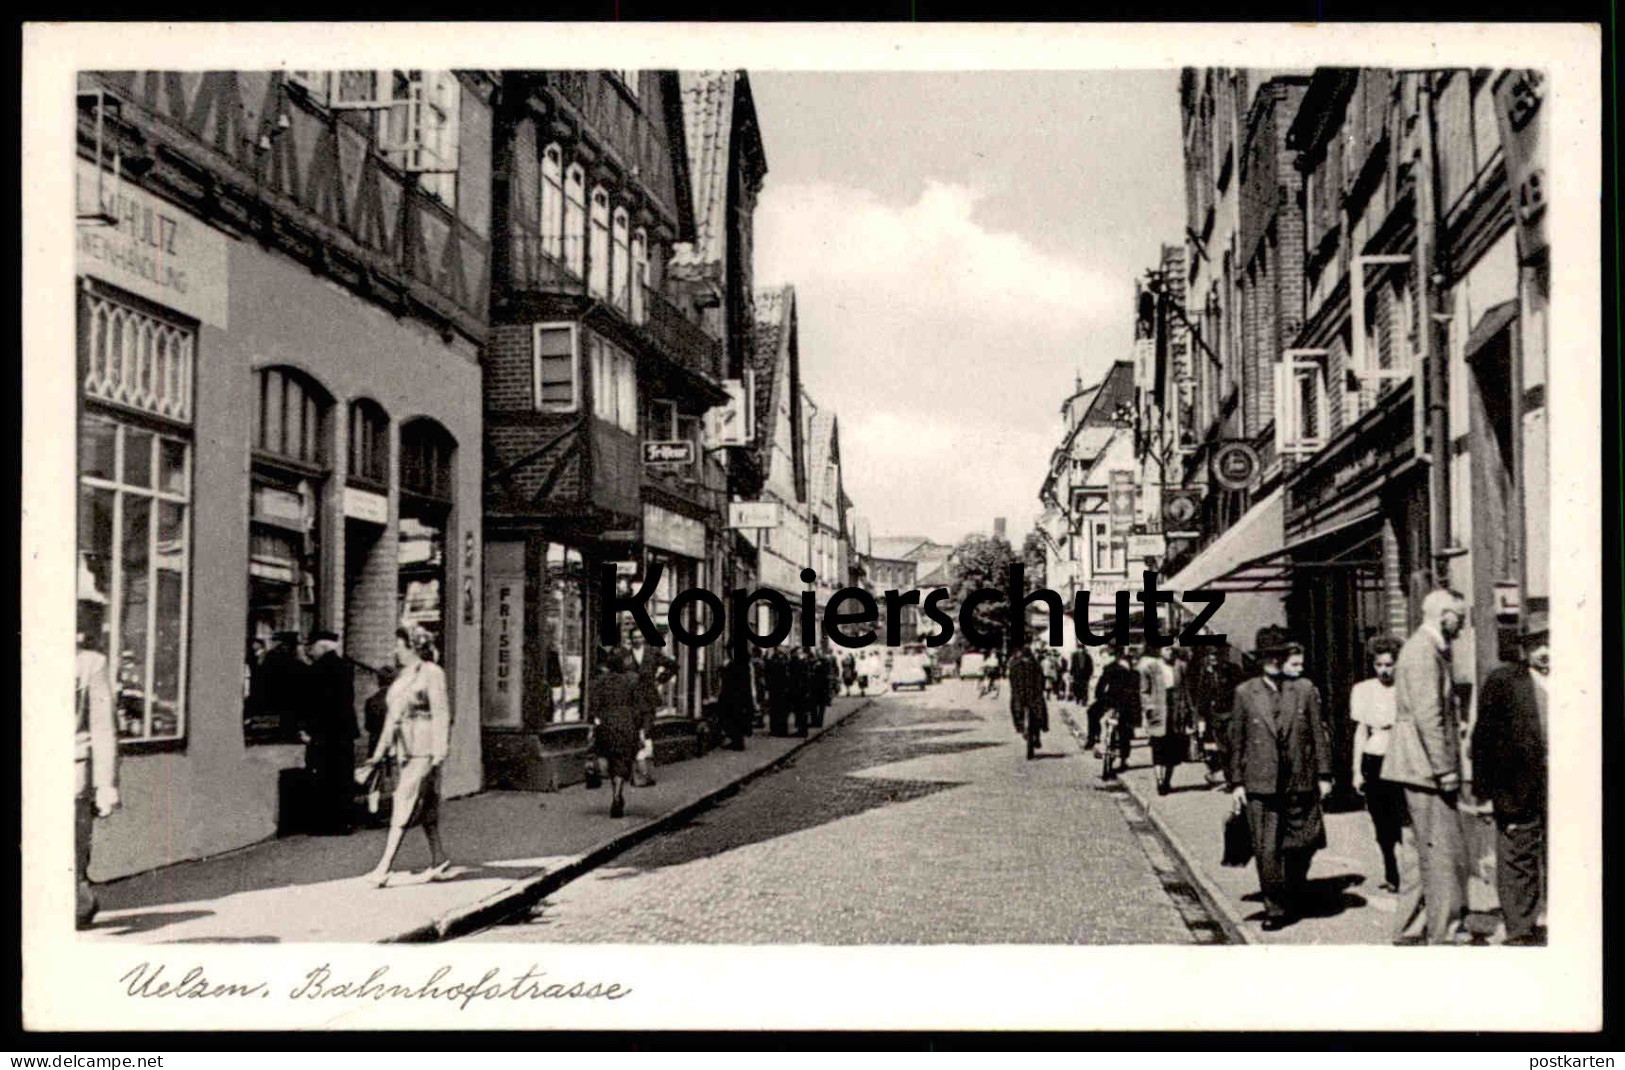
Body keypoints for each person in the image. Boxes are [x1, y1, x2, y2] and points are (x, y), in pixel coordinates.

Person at [1383, 589, 1472, 946]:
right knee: (1441, 854)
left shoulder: (1422, 648)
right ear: (1443, 614)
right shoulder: (1423, 651)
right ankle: (1444, 932)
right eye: (1460, 619)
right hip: (1425, 769)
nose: (1462, 627)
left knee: (1420, 852)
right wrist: (1445, 769)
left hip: (1414, 766)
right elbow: (1429, 718)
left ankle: (1412, 927)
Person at [1228, 638, 1333, 931]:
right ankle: (1275, 907)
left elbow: (1317, 733)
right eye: (1268, 657)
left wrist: (1324, 775)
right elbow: (1236, 741)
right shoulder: (1245, 693)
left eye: (1279, 656)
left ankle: (1294, 890)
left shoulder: (1303, 690)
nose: (1274, 662)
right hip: (1261, 782)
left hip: (1299, 779)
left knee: (1304, 842)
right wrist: (1236, 783)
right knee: (1267, 848)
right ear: (1260, 660)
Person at [1470, 611, 1549, 946]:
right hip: (1518, 788)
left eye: (1550, 642)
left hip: (1567, 783)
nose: (1545, 650)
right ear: (1524, 648)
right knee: (1519, 858)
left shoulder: (1583, 676)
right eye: (1537, 644)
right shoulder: (1505, 682)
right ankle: (1520, 928)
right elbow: (1483, 740)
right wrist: (1485, 793)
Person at [363, 627, 454, 887]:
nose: (395, 650)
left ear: (413, 647)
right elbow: (392, 718)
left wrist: (440, 750)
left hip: (424, 747)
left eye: (399, 645)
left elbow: (440, 712)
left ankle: (383, 867)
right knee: (426, 805)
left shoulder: (432, 673)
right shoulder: (404, 677)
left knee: (403, 801)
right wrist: (378, 754)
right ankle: (439, 858)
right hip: (405, 747)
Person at [75, 600, 120, 930]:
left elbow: (103, 726)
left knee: (71, 842)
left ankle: (79, 894)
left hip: (70, 766)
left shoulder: (91, 663)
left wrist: (105, 784)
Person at [1350, 635, 1405, 893]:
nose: (1384, 670)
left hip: (1401, 759)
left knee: (1403, 820)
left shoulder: (1405, 688)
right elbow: (1361, 732)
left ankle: (1410, 875)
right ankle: (1391, 870)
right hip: (1375, 758)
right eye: (1379, 664)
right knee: (1381, 821)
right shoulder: (1363, 690)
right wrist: (1356, 771)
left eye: (1389, 664)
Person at [302, 629, 358, 835]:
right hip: (345, 731)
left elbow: (317, 705)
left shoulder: (319, 669)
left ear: (322, 647)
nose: (311, 652)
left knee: (325, 777)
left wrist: (309, 731)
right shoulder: (345, 667)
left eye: (313, 647)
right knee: (343, 776)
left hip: (325, 733)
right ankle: (344, 821)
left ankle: (326, 823)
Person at [590, 647, 650, 818]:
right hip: (626, 724)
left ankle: (612, 788)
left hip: (607, 725)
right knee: (622, 762)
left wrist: (595, 722)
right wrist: (640, 728)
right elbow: (639, 707)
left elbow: (594, 706)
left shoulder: (600, 681)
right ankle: (617, 795)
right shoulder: (632, 681)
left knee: (608, 756)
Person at [1144, 644, 1188, 795]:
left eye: (1171, 649)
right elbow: (1144, 690)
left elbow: (1185, 689)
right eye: (1165, 649)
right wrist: (1148, 707)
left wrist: (1187, 710)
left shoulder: (1181, 666)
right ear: (1159, 650)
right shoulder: (1151, 667)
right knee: (1157, 748)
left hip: (1175, 711)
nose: (1169, 652)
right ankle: (1159, 780)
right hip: (1158, 711)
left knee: (1172, 750)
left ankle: (1167, 780)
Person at [1093, 645, 1140, 772]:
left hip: (1115, 703)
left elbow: (1100, 687)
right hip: (1122, 705)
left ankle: (1095, 741)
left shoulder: (1111, 668)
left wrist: (1100, 697)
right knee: (1124, 732)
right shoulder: (1134, 673)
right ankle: (1122, 759)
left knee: (1095, 717)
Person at [1007, 640, 1048, 759]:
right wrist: (1040, 690)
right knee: (1040, 711)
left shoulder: (1015, 664)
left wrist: (1015, 691)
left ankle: (1019, 726)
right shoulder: (1035, 664)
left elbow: (1012, 680)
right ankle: (1041, 728)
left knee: (1015, 708)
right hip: (1033, 695)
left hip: (1020, 695)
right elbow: (1041, 679)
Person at [719, 648, 755, 751]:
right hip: (740, 697)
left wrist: (723, 669)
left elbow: (729, 678)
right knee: (737, 719)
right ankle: (737, 741)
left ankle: (737, 743)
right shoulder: (744, 665)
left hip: (734, 697)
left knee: (733, 719)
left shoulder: (736, 665)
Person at [363, 663, 397, 757]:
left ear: (379, 680)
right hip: (395, 744)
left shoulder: (370, 701)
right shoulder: (399, 700)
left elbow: (368, 726)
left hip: (376, 743)